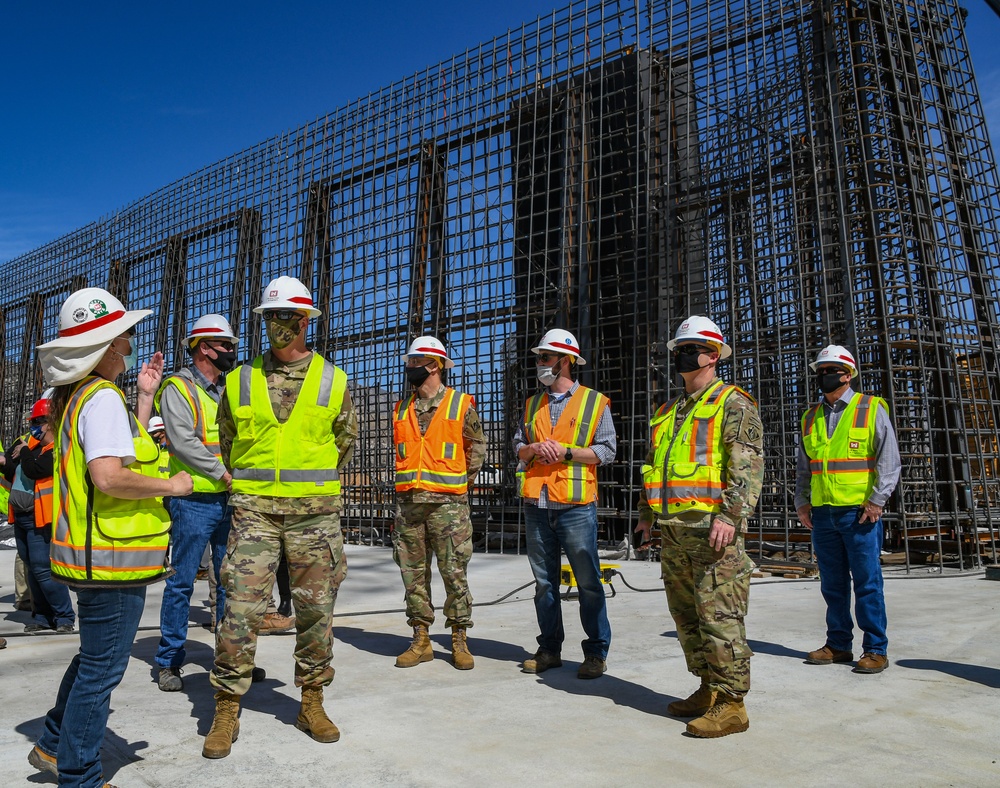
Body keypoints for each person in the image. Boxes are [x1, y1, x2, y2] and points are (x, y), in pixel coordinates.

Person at [29, 287, 193, 788]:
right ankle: (78, 774)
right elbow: (109, 477)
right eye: (126, 334)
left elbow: (124, 455)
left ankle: (55, 744)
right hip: (112, 561)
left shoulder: (81, 397)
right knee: (102, 671)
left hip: (95, 556)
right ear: (108, 344)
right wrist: (172, 485)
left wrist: (145, 400)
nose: (130, 342)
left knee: (92, 659)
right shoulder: (99, 398)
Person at [204, 275, 357, 758]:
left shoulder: (334, 380)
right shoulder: (239, 379)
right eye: (270, 317)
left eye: (286, 317)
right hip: (254, 514)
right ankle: (226, 707)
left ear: (305, 320)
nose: (278, 325)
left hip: (315, 517)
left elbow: (344, 446)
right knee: (240, 611)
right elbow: (228, 442)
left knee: (316, 613)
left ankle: (311, 700)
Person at [636, 315, 764, 738]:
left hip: (712, 529)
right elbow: (658, 467)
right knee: (687, 616)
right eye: (679, 350)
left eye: (691, 349)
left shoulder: (733, 403)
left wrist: (732, 515)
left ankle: (733, 704)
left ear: (713, 355)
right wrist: (646, 514)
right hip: (673, 530)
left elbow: (745, 465)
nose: (683, 356)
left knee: (720, 616)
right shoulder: (669, 411)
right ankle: (708, 687)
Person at [512, 329, 616, 680]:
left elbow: (606, 451)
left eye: (545, 357)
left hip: (574, 506)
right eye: (538, 357)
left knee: (588, 583)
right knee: (544, 583)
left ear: (566, 360)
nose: (540, 363)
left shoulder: (593, 402)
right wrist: (531, 450)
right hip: (537, 504)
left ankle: (596, 653)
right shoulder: (531, 405)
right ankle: (549, 649)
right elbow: (518, 447)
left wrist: (567, 452)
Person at [795, 345, 900, 674]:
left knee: (867, 582)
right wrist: (802, 502)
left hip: (859, 513)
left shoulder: (869, 408)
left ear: (848, 373)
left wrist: (877, 500)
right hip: (823, 513)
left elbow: (889, 460)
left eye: (831, 370)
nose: (824, 375)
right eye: (821, 370)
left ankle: (875, 649)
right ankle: (838, 643)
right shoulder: (811, 417)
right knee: (832, 583)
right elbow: (803, 467)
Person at [152, 315, 239, 692]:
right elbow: (183, 442)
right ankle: (169, 662)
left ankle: (230, 660)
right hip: (193, 501)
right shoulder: (178, 388)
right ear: (204, 347)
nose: (232, 352)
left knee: (231, 583)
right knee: (182, 583)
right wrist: (223, 474)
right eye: (226, 346)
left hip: (228, 499)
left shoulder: (227, 390)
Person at [392, 336, 486, 670]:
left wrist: (459, 486)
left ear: (434, 365)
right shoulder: (402, 408)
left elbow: (476, 451)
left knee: (453, 572)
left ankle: (459, 639)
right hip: (409, 506)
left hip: (448, 507)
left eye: (415, 362)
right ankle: (421, 640)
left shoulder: (461, 405)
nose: (409, 367)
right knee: (413, 575)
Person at [9, 397, 76, 633]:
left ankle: (64, 616)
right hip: (22, 517)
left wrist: (25, 450)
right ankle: (42, 616)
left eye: (38, 421)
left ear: (51, 423)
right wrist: (16, 452)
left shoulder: (57, 448)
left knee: (42, 568)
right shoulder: (30, 445)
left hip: (41, 518)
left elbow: (35, 470)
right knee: (31, 567)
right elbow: (10, 466)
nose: (33, 426)